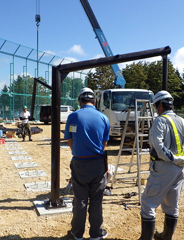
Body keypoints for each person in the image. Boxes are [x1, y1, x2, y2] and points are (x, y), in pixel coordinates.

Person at [139, 90, 184, 240]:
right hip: (181, 168)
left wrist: (172, 159)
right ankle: (166, 237)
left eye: (156, 106)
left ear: (160, 105)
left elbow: (158, 146)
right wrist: (183, 158)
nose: (156, 110)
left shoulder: (160, 121)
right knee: (172, 204)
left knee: (147, 203)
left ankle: (146, 238)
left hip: (164, 167)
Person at [64, 87, 110, 240]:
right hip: (98, 164)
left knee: (80, 199)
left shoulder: (73, 117)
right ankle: (96, 234)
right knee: (96, 200)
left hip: (80, 163)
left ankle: (77, 233)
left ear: (80, 101)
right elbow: (104, 144)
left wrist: (78, 152)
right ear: (94, 101)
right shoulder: (103, 118)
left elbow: (70, 140)